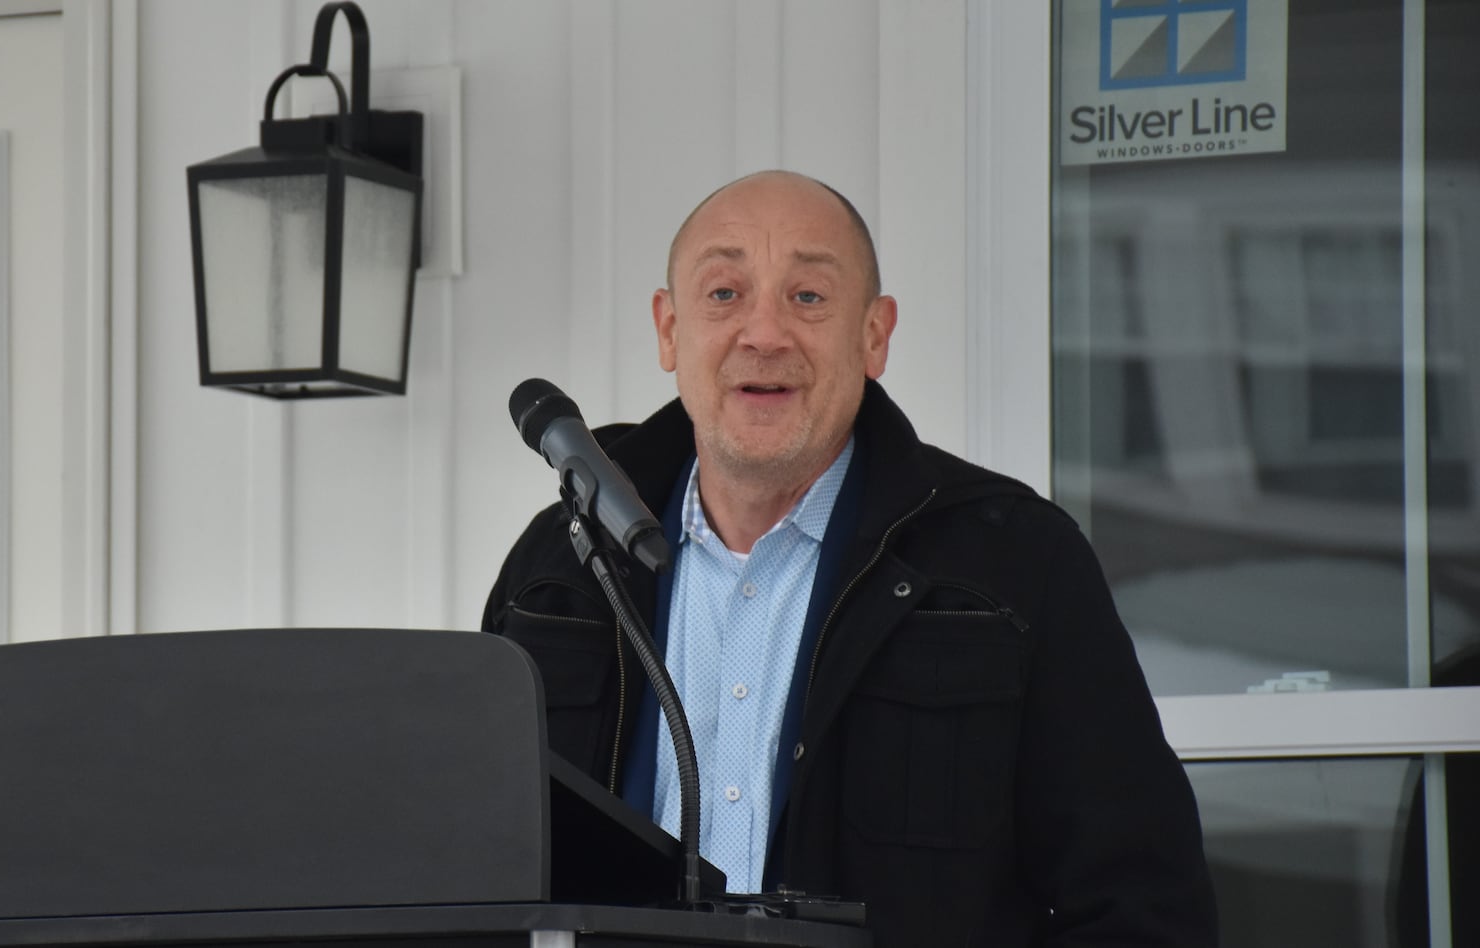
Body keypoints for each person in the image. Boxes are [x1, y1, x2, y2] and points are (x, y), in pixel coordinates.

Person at [483, 170, 1217, 946]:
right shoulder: (560, 560)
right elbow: (479, 874)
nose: (763, 334)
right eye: (724, 294)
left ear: (874, 335)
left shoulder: (1014, 561)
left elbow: (1142, 907)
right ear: (670, 329)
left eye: (807, 298)